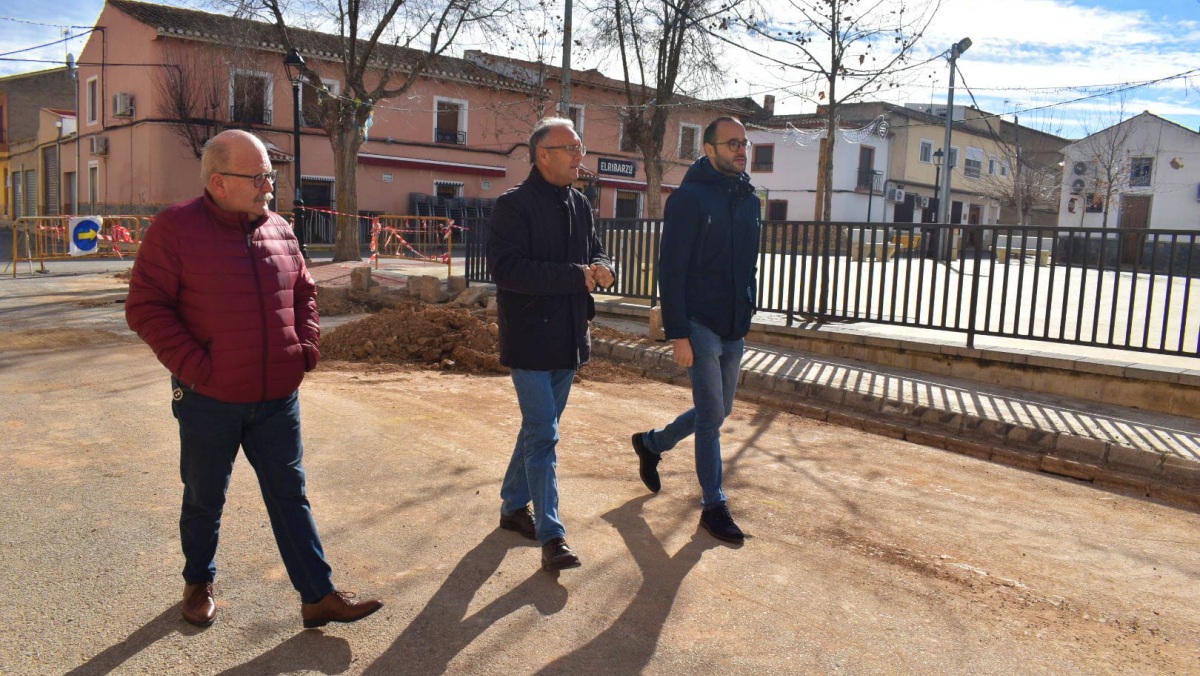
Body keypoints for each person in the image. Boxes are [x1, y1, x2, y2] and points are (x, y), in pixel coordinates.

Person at [125, 129, 382, 628]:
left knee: (291, 493)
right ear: (219, 182)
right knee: (205, 495)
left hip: (276, 398)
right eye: (259, 175)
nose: (270, 184)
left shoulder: (280, 229)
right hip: (209, 399)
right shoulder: (175, 229)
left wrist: (304, 348)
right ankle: (198, 580)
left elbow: (304, 291)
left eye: (271, 174)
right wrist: (198, 368)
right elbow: (145, 308)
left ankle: (317, 595)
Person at [487, 117, 614, 571]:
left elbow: (596, 249)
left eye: (581, 148)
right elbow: (508, 270)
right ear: (543, 155)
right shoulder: (513, 206)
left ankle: (510, 506)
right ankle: (552, 535)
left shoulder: (580, 203)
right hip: (529, 339)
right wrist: (576, 276)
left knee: (537, 429)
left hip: (569, 338)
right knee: (544, 434)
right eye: (571, 149)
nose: (580, 156)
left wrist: (603, 266)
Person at [630, 117, 761, 543]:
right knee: (710, 418)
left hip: (733, 324)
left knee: (719, 411)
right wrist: (679, 332)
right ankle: (714, 505)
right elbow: (672, 270)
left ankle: (652, 444)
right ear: (709, 150)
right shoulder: (688, 199)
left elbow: (748, 264)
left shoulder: (749, 199)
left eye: (744, 143)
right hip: (700, 323)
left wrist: (749, 304)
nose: (741, 150)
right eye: (732, 144)